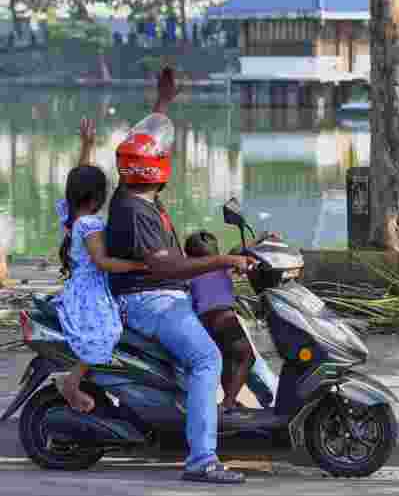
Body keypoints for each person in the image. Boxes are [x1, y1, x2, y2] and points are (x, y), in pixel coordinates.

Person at [105, 67, 255, 485]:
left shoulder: (131, 189)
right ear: (157, 169)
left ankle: (225, 412)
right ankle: (201, 459)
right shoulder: (137, 212)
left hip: (166, 295)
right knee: (207, 357)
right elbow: (166, 268)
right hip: (152, 301)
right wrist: (222, 261)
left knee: (224, 329)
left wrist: (164, 103)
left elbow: (148, 144)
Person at [55, 118, 150, 414]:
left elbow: (79, 179)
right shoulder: (90, 225)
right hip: (90, 291)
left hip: (81, 286)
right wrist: (139, 265)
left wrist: (87, 147)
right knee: (108, 332)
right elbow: (102, 261)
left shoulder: (70, 214)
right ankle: (72, 380)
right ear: (98, 197)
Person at [184, 231, 255, 414]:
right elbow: (241, 252)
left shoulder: (189, 272)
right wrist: (262, 238)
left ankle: (228, 399)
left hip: (203, 321)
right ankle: (228, 402)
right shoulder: (223, 266)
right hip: (223, 316)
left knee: (228, 358)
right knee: (246, 355)